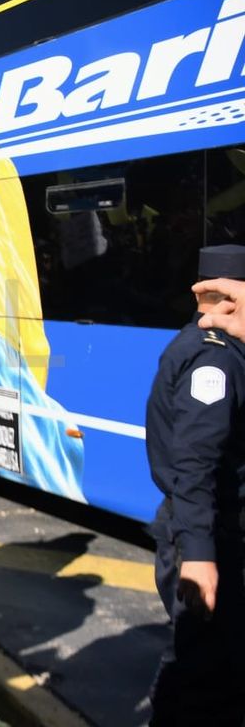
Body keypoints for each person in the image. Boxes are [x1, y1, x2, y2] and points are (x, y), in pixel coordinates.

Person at [147, 245, 245, 726]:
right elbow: (195, 461)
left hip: (208, 529)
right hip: (214, 536)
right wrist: (201, 554)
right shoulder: (215, 358)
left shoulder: (202, 344)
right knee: (204, 680)